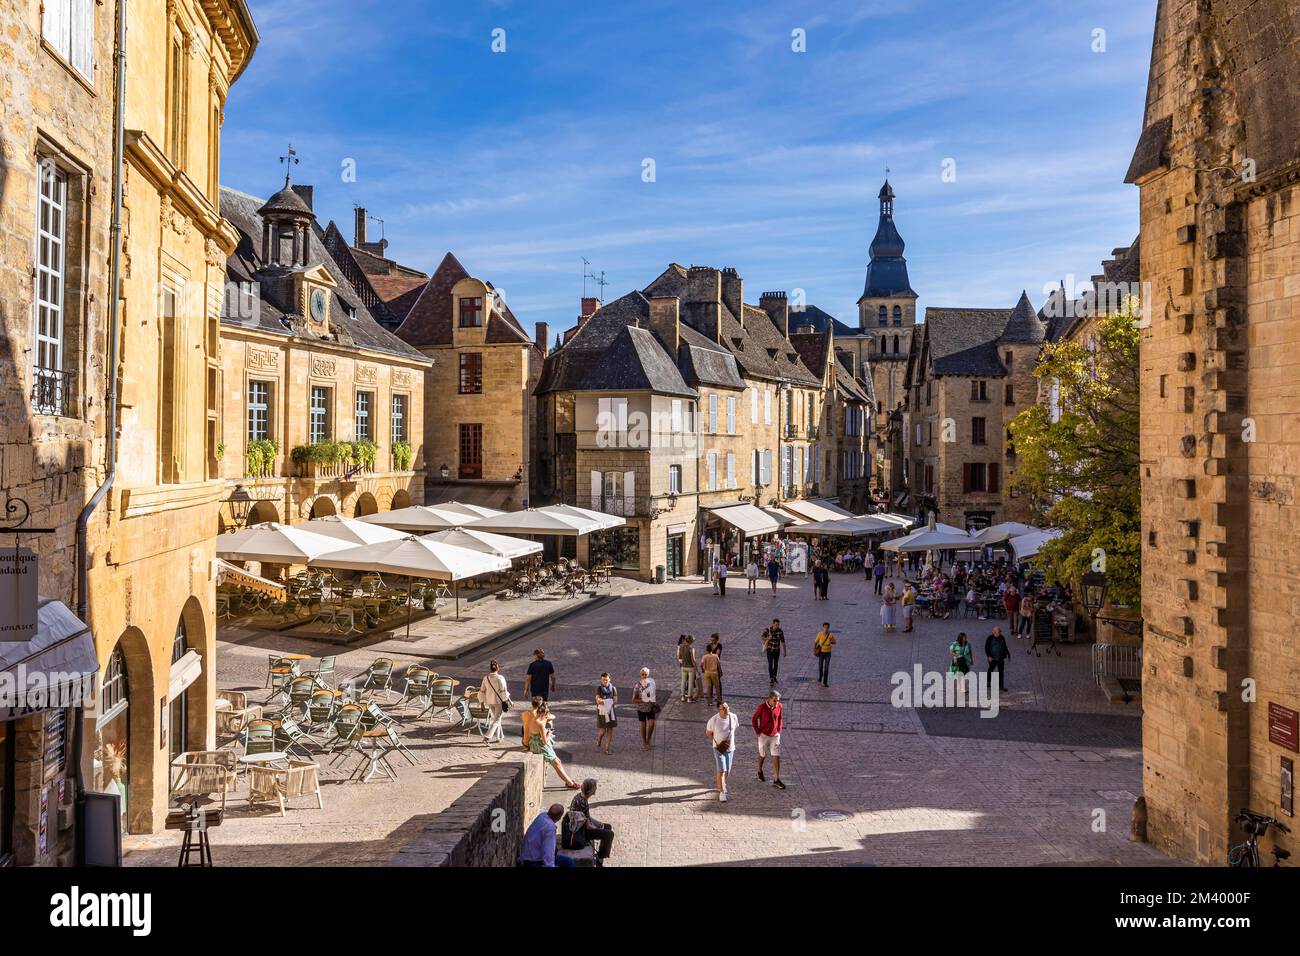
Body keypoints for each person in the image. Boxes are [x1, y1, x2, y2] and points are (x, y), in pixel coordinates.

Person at [524, 701, 581, 789]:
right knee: (557, 763)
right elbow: (545, 741)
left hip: (534, 743)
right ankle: (570, 783)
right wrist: (549, 732)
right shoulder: (540, 724)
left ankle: (569, 781)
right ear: (543, 714)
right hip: (540, 746)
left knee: (558, 761)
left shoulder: (533, 719)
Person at [564, 779, 614, 865]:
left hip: (580, 826)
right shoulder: (583, 803)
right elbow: (587, 826)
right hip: (581, 832)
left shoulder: (578, 797)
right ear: (591, 792)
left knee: (607, 827)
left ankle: (602, 852)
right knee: (609, 834)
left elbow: (586, 817)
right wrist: (597, 827)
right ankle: (600, 858)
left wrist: (599, 824)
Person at [706, 701, 739, 802]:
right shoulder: (713, 720)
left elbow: (734, 729)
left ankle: (722, 783)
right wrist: (715, 742)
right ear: (719, 710)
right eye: (723, 708)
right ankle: (722, 792)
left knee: (727, 770)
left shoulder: (733, 717)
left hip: (730, 748)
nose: (726, 710)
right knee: (721, 770)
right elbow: (708, 733)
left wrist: (728, 741)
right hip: (718, 749)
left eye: (727, 707)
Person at [751, 691, 786, 789]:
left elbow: (780, 718)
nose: (776, 703)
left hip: (775, 735)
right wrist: (758, 731)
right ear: (769, 699)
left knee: (776, 755)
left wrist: (779, 729)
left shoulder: (779, 706)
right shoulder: (762, 707)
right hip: (763, 735)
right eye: (775, 701)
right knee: (762, 755)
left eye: (778, 701)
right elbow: (754, 719)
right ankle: (760, 771)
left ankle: (776, 779)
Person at [479, 659, 510, 744]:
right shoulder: (500, 678)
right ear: (498, 668)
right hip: (498, 702)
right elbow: (504, 691)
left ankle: (500, 737)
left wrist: (482, 703)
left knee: (496, 719)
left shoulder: (486, 678)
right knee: (496, 720)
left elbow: (481, 691)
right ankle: (487, 737)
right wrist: (508, 701)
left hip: (489, 701)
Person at [632, 667, 658, 750]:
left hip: (650, 707)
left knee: (652, 724)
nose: (644, 676)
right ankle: (644, 741)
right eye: (642, 674)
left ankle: (649, 739)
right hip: (641, 708)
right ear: (640, 675)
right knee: (643, 725)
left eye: (645, 674)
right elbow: (633, 700)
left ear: (648, 675)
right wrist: (643, 700)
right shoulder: (637, 685)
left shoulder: (652, 683)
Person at [595, 672, 617, 753]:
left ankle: (607, 749)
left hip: (611, 712)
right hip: (602, 712)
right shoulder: (599, 689)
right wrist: (603, 701)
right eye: (603, 680)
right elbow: (597, 700)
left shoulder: (613, 689)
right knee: (603, 731)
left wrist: (608, 701)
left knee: (610, 730)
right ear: (601, 680)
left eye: (606, 680)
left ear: (609, 679)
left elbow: (615, 700)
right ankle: (599, 739)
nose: (605, 681)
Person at [985, 626, 1010, 691]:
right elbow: (986, 648)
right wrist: (989, 656)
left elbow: (1005, 646)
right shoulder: (990, 638)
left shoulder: (1002, 637)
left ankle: (1001, 686)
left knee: (1001, 672)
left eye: (1000, 631)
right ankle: (988, 682)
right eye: (999, 632)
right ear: (994, 632)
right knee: (990, 670)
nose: (1000, 633)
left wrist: (1007, 653)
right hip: (993, 658)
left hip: (1001, 658)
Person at [762, 619, 786, 685]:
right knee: (770, 664)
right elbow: (763, 638)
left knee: (775, 664)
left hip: (777, 651)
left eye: (778, 625)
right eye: (776, 625)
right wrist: (768, 638)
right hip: (770, 650)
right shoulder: (768, 630)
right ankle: (771, 678)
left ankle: (774, 676)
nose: (777, 626)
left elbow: (783, 642)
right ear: (773, 624)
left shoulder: (780, 631)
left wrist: (785, 651)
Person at [700, 638, 722, 706]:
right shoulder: (715, 656)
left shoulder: (704, 657)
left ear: (707, 650)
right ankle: (719, 700)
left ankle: (710, 702)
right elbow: (719, 665)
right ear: (712, 649)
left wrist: (703, 670)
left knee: (709, 687)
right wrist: (720, 672)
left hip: (707, 672)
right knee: (717, 687)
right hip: (714, 672)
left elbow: (701, 665)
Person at [676, 635, 697, 702]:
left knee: (683, 682)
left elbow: (679, 657)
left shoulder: (681, 646)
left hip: (683, 667)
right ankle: (689, 698)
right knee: (690, 683)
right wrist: (697, 669)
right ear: (691, 641)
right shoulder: (691, 648)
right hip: (691, 667)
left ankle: (682, 696)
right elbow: (693, 660)